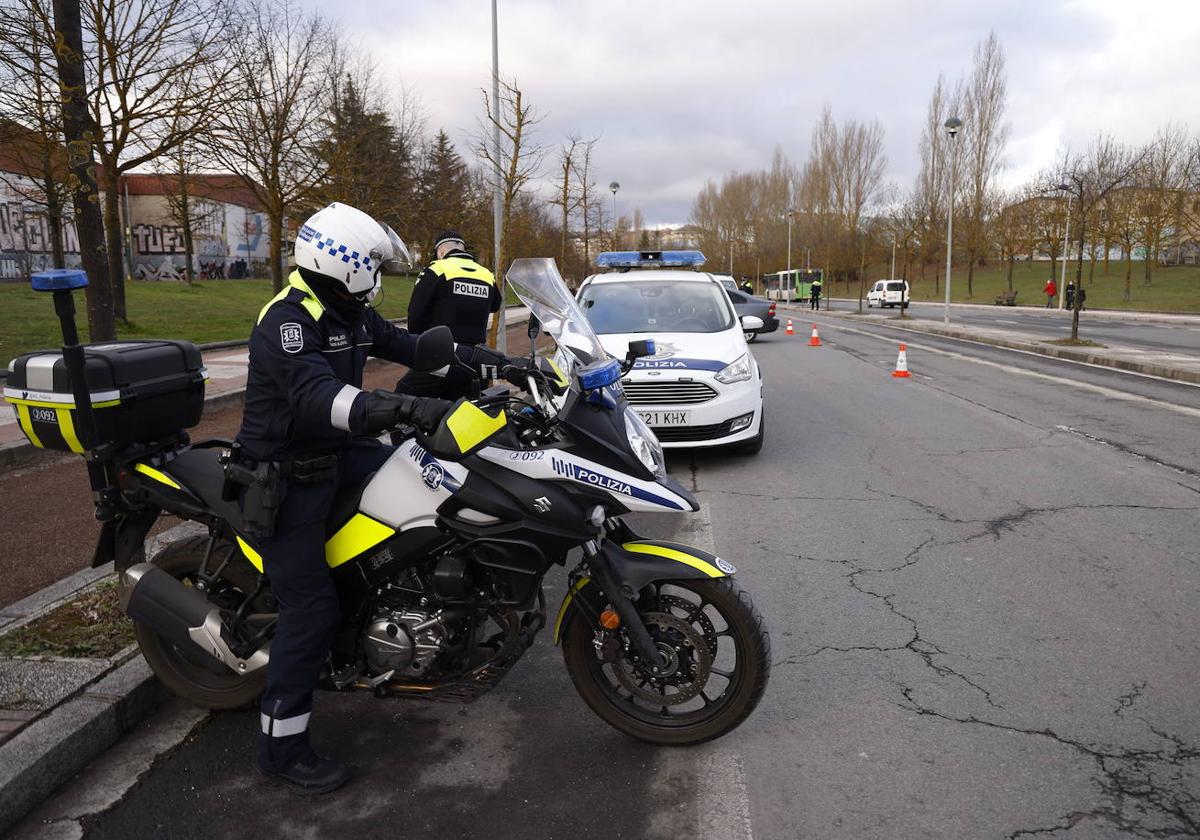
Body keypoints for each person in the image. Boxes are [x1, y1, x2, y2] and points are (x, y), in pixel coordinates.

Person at [236, 203, 528, 794]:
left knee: (435, 488)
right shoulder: (288, 322)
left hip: (338, 456)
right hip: (284, 476)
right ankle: (281, 749)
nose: (374, 270)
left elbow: (415, 346)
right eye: (368, 260)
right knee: (310, 609)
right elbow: (322, 399)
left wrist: (498, 361)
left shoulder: (350, 310)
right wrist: (407, 407)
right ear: (339, 260)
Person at [399, 231, 502, 399]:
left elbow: (416, 314)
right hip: (475, 361)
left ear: (441, 251)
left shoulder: (436, 269)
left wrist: (418, 346)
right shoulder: (486, 274)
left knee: (404, 402)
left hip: (440, 357)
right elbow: (495, 305)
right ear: (462, 248)